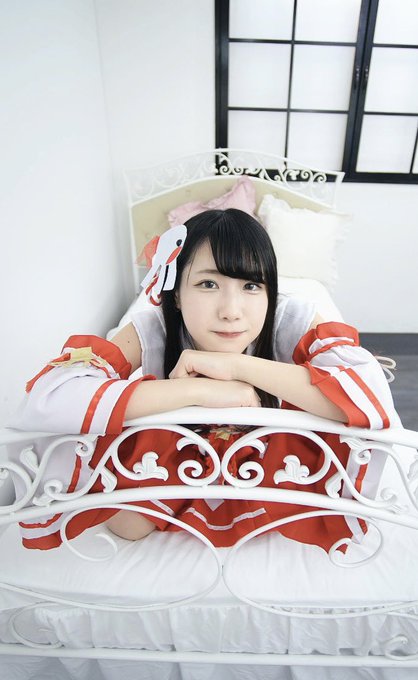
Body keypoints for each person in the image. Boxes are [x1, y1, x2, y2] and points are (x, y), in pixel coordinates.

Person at [10, 209, 398, 551]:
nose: (231, 311)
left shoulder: (289, 318)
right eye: (208, 284)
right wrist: (195, 389)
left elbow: (367, 396)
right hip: (178, 450)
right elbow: (52, 397)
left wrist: (236, 368)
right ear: (177, 293)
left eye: (251, 286)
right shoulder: (153, 327)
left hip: (272, 454)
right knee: (129, 525)